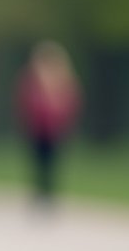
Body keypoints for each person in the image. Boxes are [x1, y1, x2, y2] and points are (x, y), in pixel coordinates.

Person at [15, 41, 80, 205]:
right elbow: (25, 103)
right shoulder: (33, 82)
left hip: (56, 131)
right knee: (37, 162)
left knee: (53, 163)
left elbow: (72, 104)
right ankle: (39, 191)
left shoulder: (64, 81)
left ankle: (49, 192)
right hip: (37, 130)